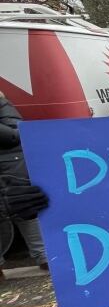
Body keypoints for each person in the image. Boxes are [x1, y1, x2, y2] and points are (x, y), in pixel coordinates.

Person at [0, 93, 48, 278]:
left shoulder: (2, 104)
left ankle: (44, 257)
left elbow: (15, 134)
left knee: (26, 214)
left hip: (12, 171)